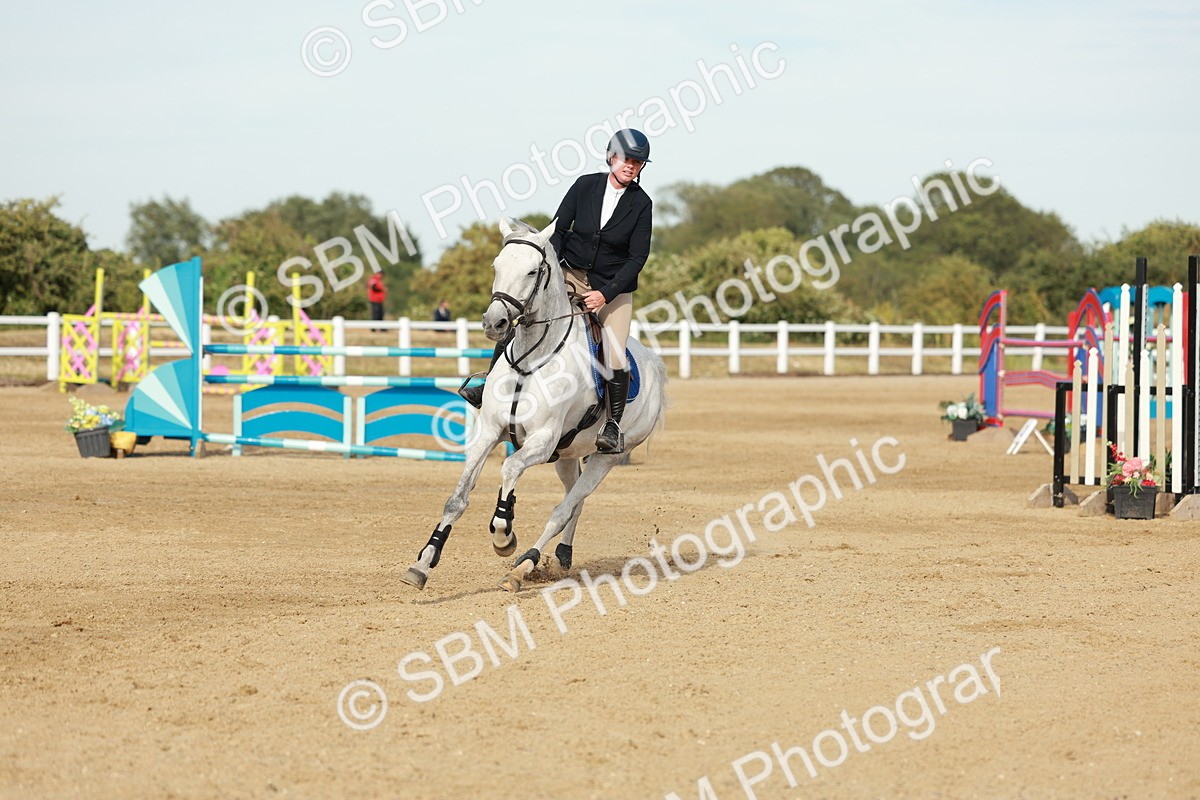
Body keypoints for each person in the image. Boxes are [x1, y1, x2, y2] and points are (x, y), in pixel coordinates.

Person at [460, 128, 653, 455]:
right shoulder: (585, 186)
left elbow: (638, 258)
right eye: (625, 159)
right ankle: (487, 383)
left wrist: (605, 294)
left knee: (615, 351)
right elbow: (559, 230)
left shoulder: (641, 203)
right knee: (523, 315)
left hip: (613, 289)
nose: (630, 166)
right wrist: (555, 270)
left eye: (637, 161)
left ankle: (612, 425)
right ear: (611, 157)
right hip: (569, 273)